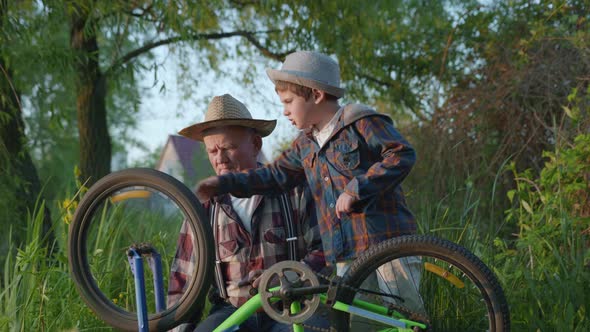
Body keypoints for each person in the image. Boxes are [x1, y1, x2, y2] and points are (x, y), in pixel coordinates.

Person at [196, 51, 425, 321]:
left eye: (289, 101)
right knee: (362, 323)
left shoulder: (360, 122)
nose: (284, 111)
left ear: (316, 95)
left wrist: (358, 187)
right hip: (346, 255)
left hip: (386, 244)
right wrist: (225, 182)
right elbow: (272, 176)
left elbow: (401, 153)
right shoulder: (305, 146)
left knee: (403, 317)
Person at [167, 93, 328, 332]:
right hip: (231, 312)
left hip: (292, 306)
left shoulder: (294, 190)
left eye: (228, 148)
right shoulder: (203, 207)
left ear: (255, 145)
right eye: (212, 151)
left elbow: (325, 251)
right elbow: (183, 283)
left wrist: (287, 278)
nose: (220, 159)